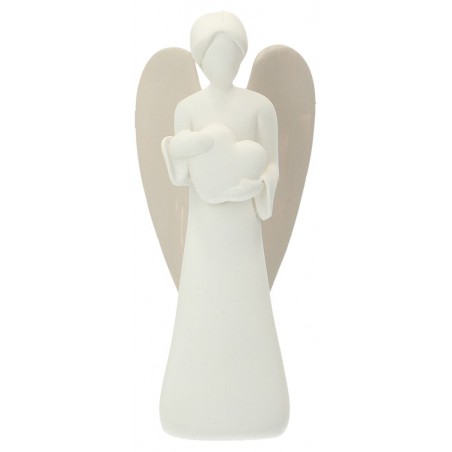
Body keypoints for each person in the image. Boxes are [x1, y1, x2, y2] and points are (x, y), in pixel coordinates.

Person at [160, 12, 289, 440]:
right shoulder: (187, 108)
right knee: (201, 301)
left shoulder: (260, 107)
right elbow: (180, 175)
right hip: (206, 231)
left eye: (231, 53)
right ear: (200, 59)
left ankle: (259, 405)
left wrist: (258, 185)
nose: (223, 63)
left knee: (245, 302)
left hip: (243, 231)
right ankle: (190, 406)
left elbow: (272, 165)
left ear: (241, 55)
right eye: (214, 54)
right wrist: (186, 150)